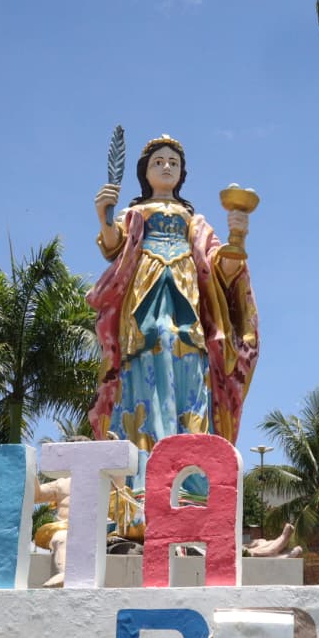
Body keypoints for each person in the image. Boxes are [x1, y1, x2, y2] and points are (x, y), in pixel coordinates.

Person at [88, 135, 259, 537]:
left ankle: (191, 493)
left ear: (182, 174)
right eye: (158, 162)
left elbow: (224, 272)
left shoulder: (195, 223)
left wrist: (237, 237)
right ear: (144, 172)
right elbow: (113, 247)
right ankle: (139, 494)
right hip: (143, 305)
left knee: (191, 377)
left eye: (173, 163)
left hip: (189, 307)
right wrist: (104, 216)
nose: (166, 167)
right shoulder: (135, 213)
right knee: (145, 374)